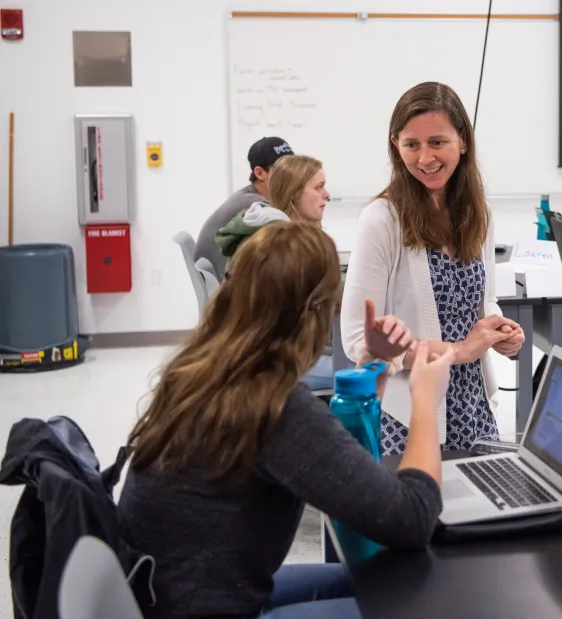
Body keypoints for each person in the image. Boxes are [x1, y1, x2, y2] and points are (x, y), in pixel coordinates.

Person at [119, 221, 455, 619]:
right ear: (312, 315)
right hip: (210, 609)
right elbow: (412, 519)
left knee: (378, 580)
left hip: (176, 599)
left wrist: (376, 369)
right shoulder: (270, 404)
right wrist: (424, 400)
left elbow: (339, 466)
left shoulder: (201, 370)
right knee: (418, 604)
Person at [341, 81, 524, 456]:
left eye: (437, 142)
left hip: (473, 407)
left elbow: (484, 300)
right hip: (408, 416)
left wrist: (499, 328)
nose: (425, 158)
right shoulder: (382, 220)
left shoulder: (478, 214)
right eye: (412, 145)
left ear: (463, 141)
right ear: (396, 146)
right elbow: (358, 341)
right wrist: (458, 351)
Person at [196, 136, 294, 279]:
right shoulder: (256, 206)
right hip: (229, 287)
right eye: (282, 169)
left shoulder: (247, 197)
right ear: (259, 173)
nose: (292, 175)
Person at [216, 154, 329, 272]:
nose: (326, 194)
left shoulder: (274, 231)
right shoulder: (276, 244)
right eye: (319, 187)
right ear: (294, 192)